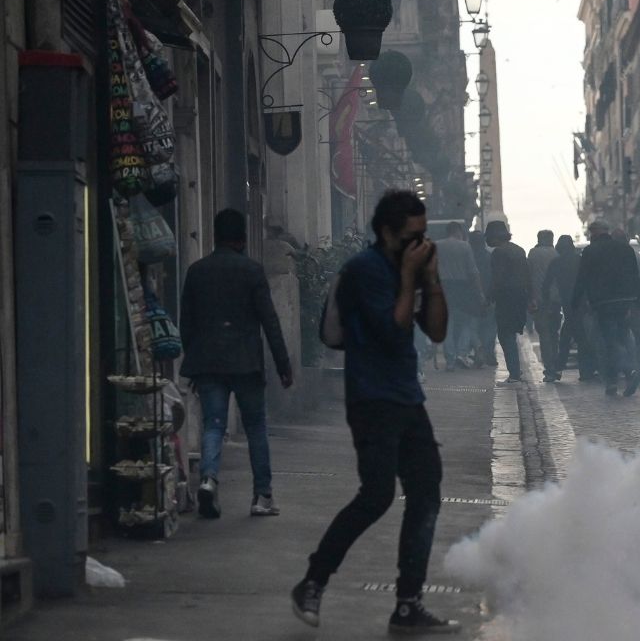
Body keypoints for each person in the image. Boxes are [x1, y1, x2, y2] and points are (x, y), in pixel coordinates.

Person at [292, 190, 458, 635]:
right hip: (371, 398)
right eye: (410, 237)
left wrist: (432, 278)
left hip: (407, 396)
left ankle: (408, 604)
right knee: (377, 495)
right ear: (386, 233)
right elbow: (391, 329)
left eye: (423, 237)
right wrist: (408, 278)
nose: (418, 244)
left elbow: (437, 331)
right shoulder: (365, 271)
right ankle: (313, 580)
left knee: (426, 492)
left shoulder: (414, 267)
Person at [180, 208, 292, 520]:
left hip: (208, 362)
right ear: (242, 238)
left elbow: (186, 323)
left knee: (214, 424)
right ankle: (262, 496)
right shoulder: (252, 272)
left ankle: (208, 479)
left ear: (215, 236)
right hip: (246, 363)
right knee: (256, 426)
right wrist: (284, 365)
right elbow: (270, 321)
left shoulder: (196, 271)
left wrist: (194, 360)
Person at [574, 221, 640, 396]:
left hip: (604, 302)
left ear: (595, 233)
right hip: (625, 300)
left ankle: (628, 371)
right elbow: (636, 277)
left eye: (591, 233)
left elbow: (582, 278)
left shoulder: (590, 251)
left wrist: (575, 302)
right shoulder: (625, 249)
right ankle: (612, 382)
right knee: (621, 336)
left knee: (609, 341)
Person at [486, 221, 531, 383]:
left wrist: (489, 296)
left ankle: (514, 373)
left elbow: (497, 277)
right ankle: (515, 372)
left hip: (506, 296)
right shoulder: (519, 250)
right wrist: (531, 297)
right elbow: (528, 274)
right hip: (520, 296)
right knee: (511, 332)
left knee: (505, 334)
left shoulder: (499, 253)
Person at [543, 235, 594, 381]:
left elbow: (546, 284)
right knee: (579, 336)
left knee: (569, 337)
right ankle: (585, 370)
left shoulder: (556, 263)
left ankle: (559, 369)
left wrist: (548, 302)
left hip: (567, 302)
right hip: (582, 302)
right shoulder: (580, 260)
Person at [437, 222, 484, 371]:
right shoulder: (465, 246)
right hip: (461, 287)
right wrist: (479, 292)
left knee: (447, 324)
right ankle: (461, 353)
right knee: (466, 322)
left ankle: (450, 360)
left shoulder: (437, 245)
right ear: (458, 231)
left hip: (443, 287)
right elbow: (473, 271)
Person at [613, 228, 640, 382]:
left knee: (620, 337)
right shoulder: (638, 258)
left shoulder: (613, 259)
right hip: (636, 304)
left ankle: (630, 369)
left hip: (622, 305)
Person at [528, 230, 561, 381]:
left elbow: (528, 275)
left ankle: (549, 368)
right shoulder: (556, 254)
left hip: (539, 299)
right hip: (555, 299)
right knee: (554, 333)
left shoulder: (533, 253)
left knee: (544, 334)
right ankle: (556, 363)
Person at [468, 230, 498, 367]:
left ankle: (478, 351)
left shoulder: (469, 256)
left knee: (474, 327)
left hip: (472, 297)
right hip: (489, 296)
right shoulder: (490, 257)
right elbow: (494, 278)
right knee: (490, 326)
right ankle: (489, 353)